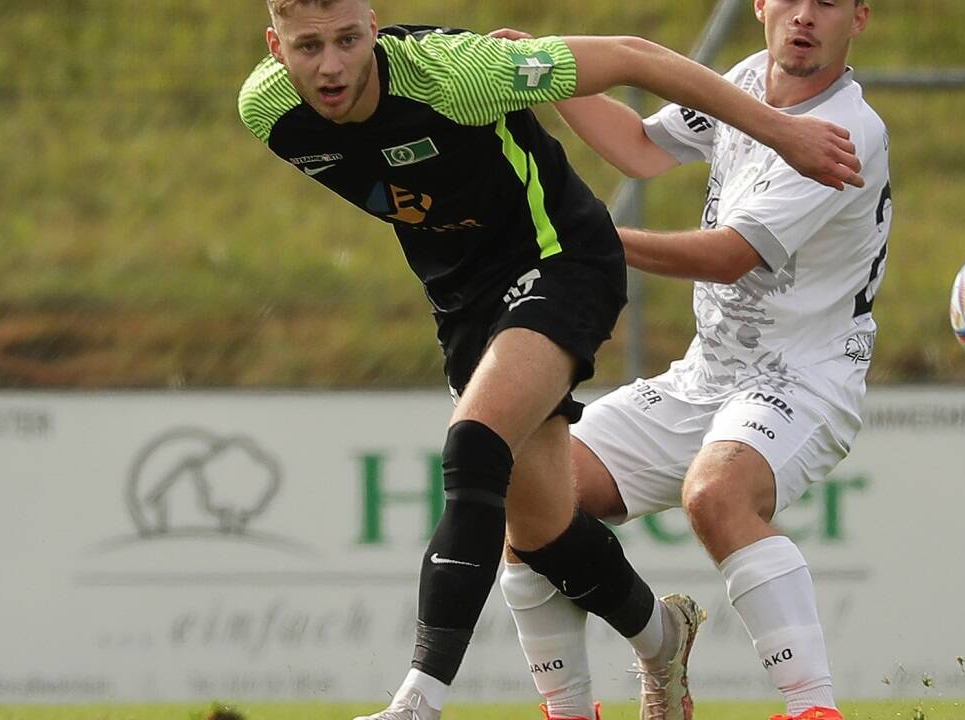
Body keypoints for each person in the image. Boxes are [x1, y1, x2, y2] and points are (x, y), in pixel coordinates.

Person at [237, 2, 865, 719]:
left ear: (373, 30)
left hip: (561, 260)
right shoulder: (268, 110)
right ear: (274, 46)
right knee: (540, 534)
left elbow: (636, 56)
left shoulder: (461, 76)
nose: (330, 67)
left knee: (474, 447)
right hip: (466, 301)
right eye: (308, 47)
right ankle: (663, 637)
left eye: (348, 41)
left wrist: (783, 133)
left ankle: (418, 701)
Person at [496, 1, 891, 719]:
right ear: (762, 5)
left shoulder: (847, 131)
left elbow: (729, 256)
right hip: (704, 377)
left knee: (717, 495)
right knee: (531, 498)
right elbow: (643, 147)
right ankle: (571, 709)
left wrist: (590, 236)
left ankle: (813, 710)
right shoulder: (745, 82)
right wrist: (549, 79)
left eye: (827, 3)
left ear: (858, 17)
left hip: (803, 378)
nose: (805, 17)